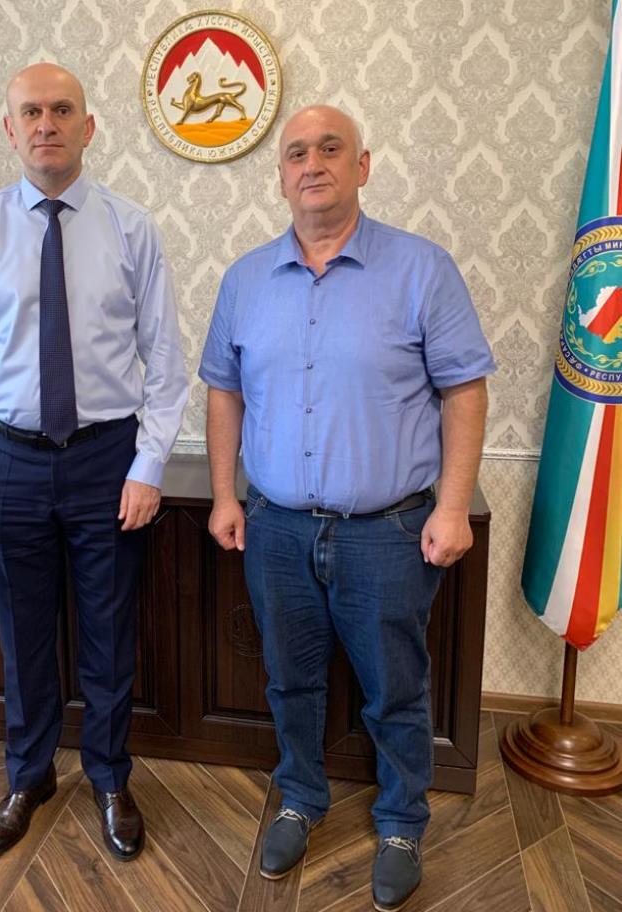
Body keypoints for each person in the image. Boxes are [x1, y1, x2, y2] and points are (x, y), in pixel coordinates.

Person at [199, 105, 494, 912]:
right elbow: (223, 392)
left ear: (361, 166)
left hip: (389, 533)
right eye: (296, 153)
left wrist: (453, 507)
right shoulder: (245, 280)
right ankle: (299, 797)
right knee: (289, 681)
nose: (312, 163)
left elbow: (463, 391)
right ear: (280, 176)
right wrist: (224, 495)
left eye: (330, 148)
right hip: (275, 528)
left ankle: (399, 821)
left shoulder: (421, 269)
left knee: (394, 688)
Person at [0, 62, 188, 862]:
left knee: (109, 631)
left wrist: (148, 466)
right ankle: (29, 774)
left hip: (106, 460)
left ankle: (109, 777)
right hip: (6, 458)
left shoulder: (131, 228)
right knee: (23, 633)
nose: (46, 123)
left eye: (62, 109)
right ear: (10, 131)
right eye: (31, 112)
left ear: (88, 127)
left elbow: (165, 364)